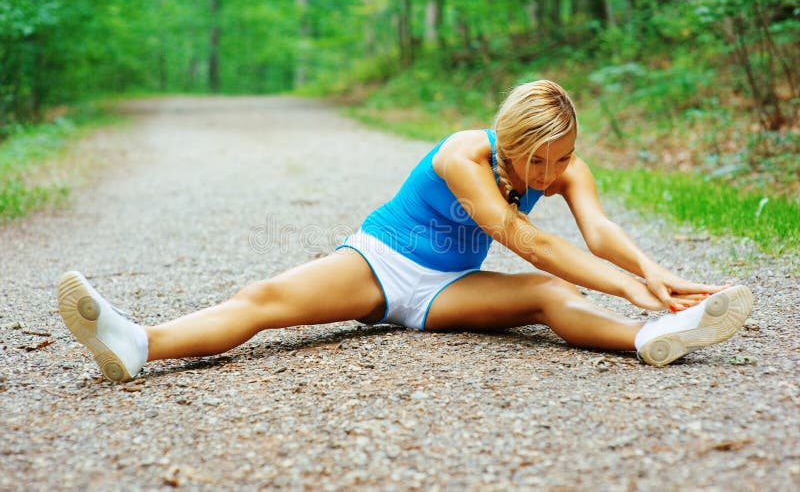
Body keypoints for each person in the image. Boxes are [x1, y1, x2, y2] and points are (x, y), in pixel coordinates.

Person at [57, 80, 754, 382]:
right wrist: (632, 285)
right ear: (506, 144)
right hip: (381, 263)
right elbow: (529, 238)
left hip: (449, 288)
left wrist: (652, 279)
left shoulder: (564, 167)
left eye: (564, 156)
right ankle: (137, 340)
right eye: (538, 160)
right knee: (264, 297)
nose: (553, 172)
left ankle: (653, 338)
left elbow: (597, 233)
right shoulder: (462, 155)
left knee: (544, 295)